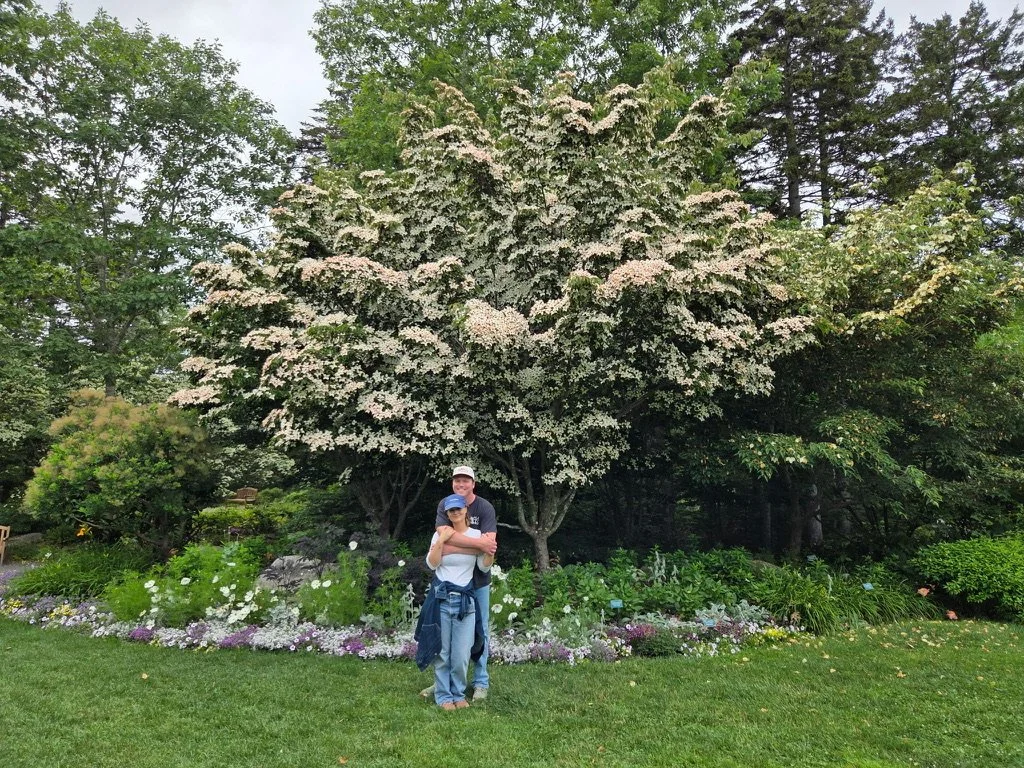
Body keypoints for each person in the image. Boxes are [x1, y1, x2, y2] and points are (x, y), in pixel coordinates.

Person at [420, 465, 497, 702]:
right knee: (445, 637)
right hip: (448, 583)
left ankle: (480, 682)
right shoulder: (447, 503)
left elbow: (489, 545)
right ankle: (443, 685)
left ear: (473, 483)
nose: (461, 485)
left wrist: (452, 544)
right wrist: (477, 545)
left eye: (465, 481)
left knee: (479, 632)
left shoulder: (484, 507)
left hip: (477, 581)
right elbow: (442, 535)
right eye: (457, 481)